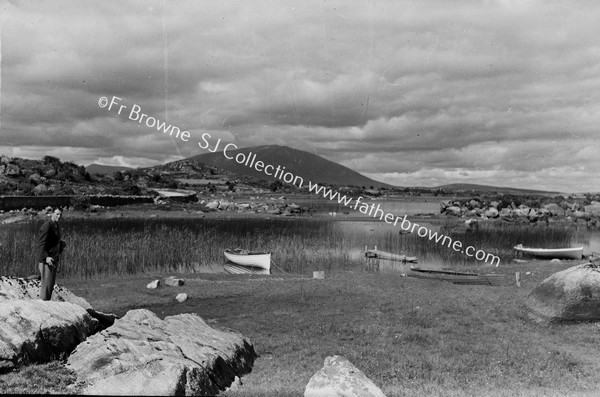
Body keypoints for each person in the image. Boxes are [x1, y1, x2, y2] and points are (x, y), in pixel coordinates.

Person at [37, 207, 66, 300]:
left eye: (60, 214)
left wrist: (61, 245)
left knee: (50, 285)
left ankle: (46, 306)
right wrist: (46, 257)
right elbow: (41, 244)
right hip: (47, 260)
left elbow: (54, 241)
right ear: (52, 213)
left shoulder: (56, 225)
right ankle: (42, 307)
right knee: (46, 286)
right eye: (57, 214)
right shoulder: (47, 225)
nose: (59, 216)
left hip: (53, 259)